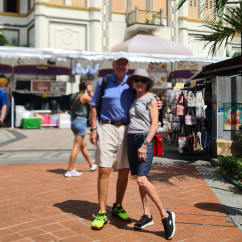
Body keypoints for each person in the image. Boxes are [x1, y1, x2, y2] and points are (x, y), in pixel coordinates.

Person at [89, 52, 162, 230]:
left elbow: (145, 96)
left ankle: (117, 205)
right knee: (104, 169)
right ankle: (101, 212)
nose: (121, 67)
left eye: (124, 64)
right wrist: (92, 129)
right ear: (113, 65)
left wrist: (157, 102)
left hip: (127, 130)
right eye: (118, 64)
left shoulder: (132, 84)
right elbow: (93, 106)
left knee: (123, 169)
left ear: (127, 66)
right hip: (106, 127)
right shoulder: (104, 82)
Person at [126, 68, 175, 240]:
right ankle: (147, 214)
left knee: (142, 179)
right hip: (131, 140)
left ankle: (165, 215)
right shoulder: (132, 98)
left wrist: (145, 144)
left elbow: (154, 124)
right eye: (136, 79)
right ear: (133, 82)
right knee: (140, 179)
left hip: (142, 140)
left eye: (143, 80)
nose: (139, 82)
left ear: (147, 83)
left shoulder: (151, 98)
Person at [65, 79, 97, 177]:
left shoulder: (73, 96)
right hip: (80, 121)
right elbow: (94, 102)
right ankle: (69, 170)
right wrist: (91, 92)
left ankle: (91, 164)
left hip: (74, 121)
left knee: (82, 145)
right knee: (76, 146)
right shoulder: (84, 97)